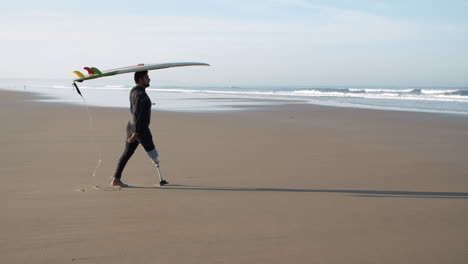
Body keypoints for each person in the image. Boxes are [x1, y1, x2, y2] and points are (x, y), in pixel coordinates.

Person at [112, 71, 168, 187]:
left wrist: (142, 69)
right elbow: (137, 114)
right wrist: (136, 133)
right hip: (140, 130)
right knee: (154, 155)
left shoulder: (133, 90)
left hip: (131, 126)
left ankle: (116, 179)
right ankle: (161, 179)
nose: (149, 79)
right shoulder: (141, 95)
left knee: (127, 154)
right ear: (140, 79)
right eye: (146, 77)